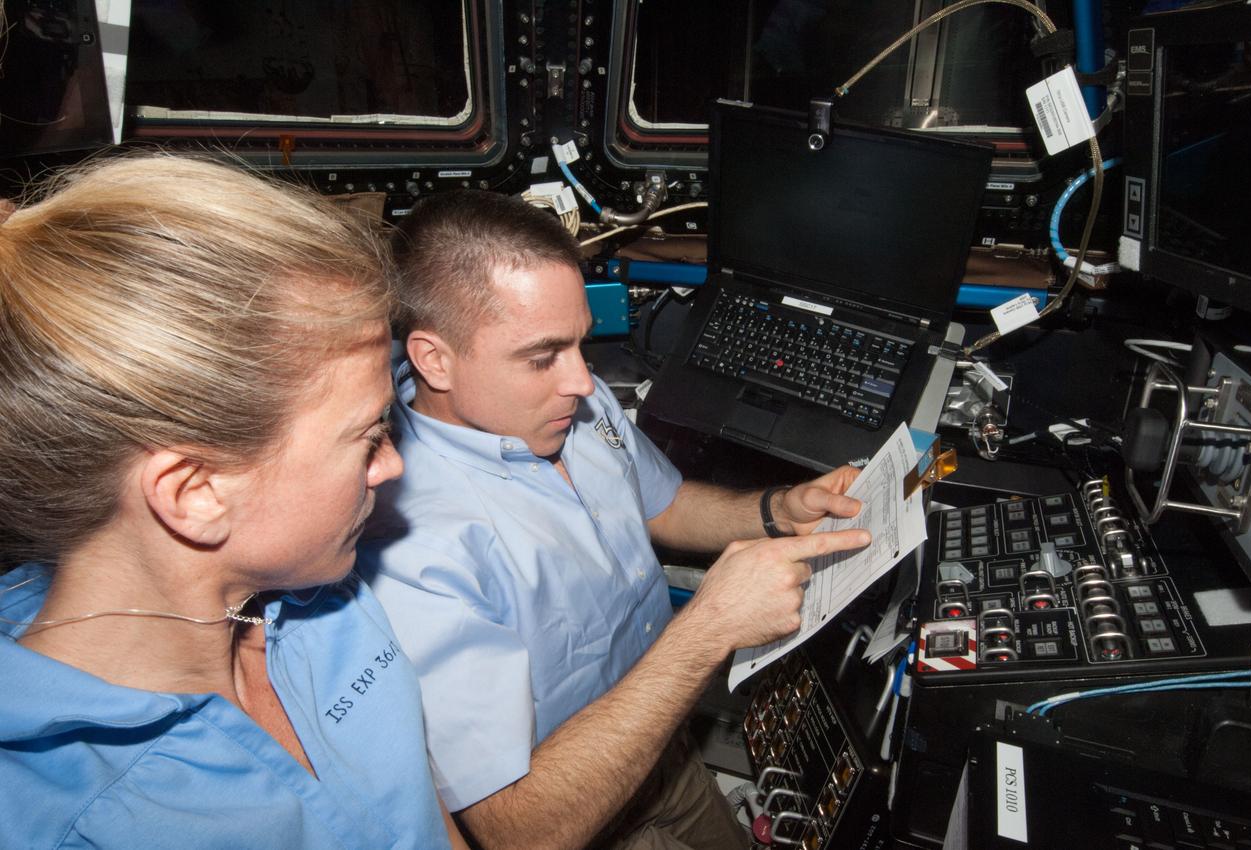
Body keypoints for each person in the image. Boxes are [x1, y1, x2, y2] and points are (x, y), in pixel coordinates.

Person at [358, 189, 871, 850]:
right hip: (581, 813)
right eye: (542, 357)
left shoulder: (567, 397)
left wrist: (776, 510)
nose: (580, 380)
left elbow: (665, 504)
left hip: (666, 753)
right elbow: (519, 830)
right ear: (434, 359)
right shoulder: (409, 549)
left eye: (579, 344)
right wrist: (709, 627)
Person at [0, 154, 467, 849]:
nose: (393, 465)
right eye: (369, 437)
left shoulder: (324, 600)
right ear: (196, 493)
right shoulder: (61, 819)